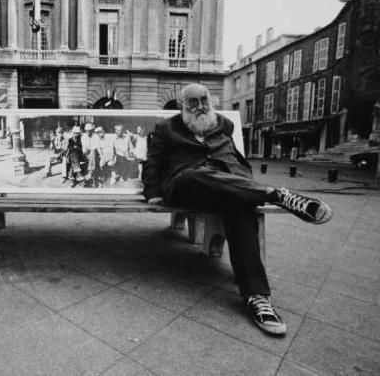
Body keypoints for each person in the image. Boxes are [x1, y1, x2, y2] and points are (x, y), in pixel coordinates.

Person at [142, 83, 333, 336]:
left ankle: (257, 298)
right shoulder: (167, 128)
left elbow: (234, 159)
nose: (200, 106)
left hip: (226, 186)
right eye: (193, 102)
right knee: (192, 175)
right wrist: (153, 193)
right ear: (182, 106)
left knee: (240, 206)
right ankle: (276, 195)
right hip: (186, 184)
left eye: (204, 100)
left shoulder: (223, 124)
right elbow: (153, 164)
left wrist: (241, 182)